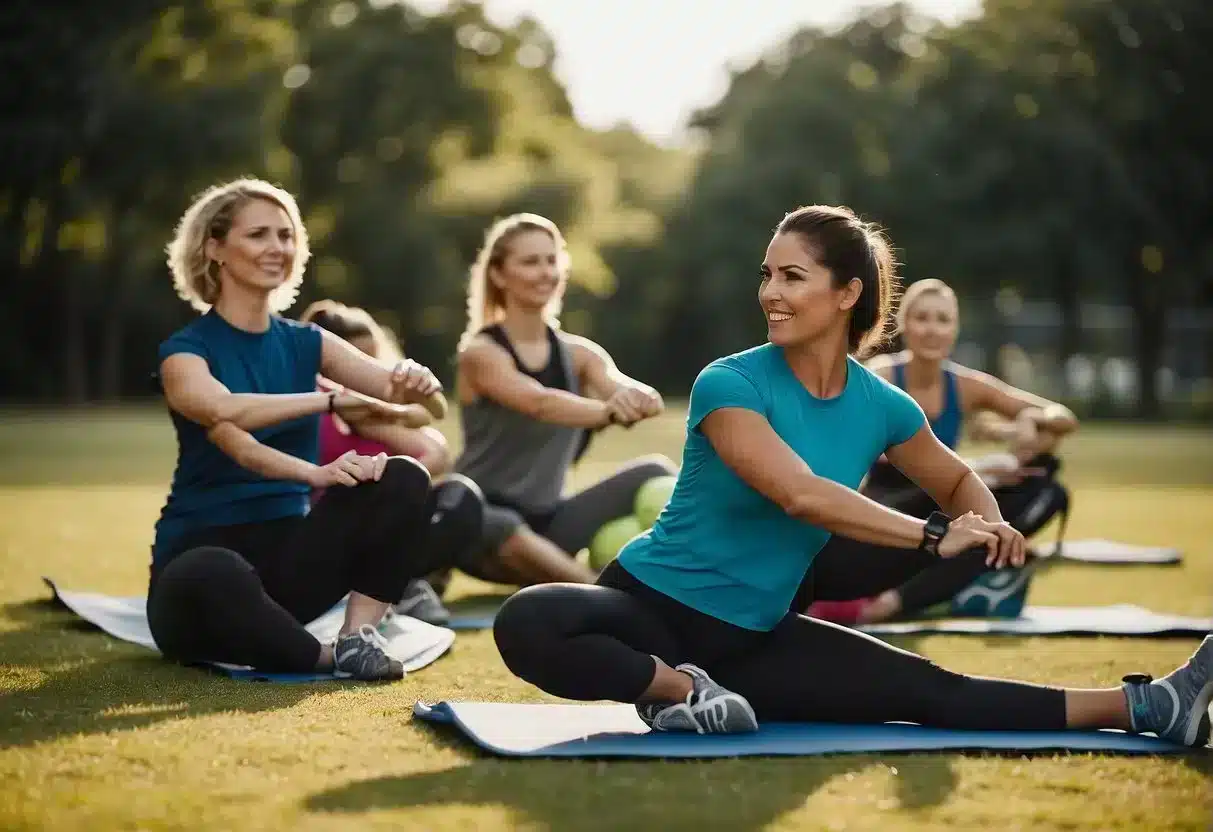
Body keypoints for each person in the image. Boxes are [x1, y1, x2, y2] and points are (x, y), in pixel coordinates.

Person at [491, 204, 1212, 747]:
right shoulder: (730, 383)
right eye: (767, 275)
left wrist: (989, 526)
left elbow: (957, 479)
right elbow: (799, 494)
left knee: (934, 693)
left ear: (846, 294)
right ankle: (679, 692)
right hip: (651, 609)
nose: (769, 292)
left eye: (792, 276)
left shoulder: (881, 405)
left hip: (754, 638)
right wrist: (934, 536)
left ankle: (1148, 706)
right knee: (528, 620)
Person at [148, 178, 453, 681]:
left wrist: (417, 381)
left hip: (287, 563)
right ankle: (319, 657)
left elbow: (409, 399)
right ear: (214, 248)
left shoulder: (308, 342)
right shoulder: (184, 354)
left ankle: (356, 638)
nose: (278, 247)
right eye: (258, 235)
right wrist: (324, 423)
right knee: (213, 568)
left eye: (286, 235)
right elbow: (226, 415)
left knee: (404, 476)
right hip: (197, 575)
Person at [798, 278, 1080, 625]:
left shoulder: (965, 385)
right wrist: (979, 468)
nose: (932, 329)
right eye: (922, 318)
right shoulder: (881, 376)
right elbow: (866, 449)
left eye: (942, 320)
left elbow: (1062, 417)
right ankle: (894, 598)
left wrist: (1030, 421)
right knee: (967, 511)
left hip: (941, 505)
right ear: (904, 324)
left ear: (954, 329)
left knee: (1046, 492)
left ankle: (895, 602)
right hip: (890, 505)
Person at [452, 213, 677, 587]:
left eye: (551, 260)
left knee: (654, 471)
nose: (545, 272)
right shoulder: (481, 354)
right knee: (499, 521)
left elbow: (619, 385)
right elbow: (538, 402)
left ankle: (695, 574)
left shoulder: (579, 355)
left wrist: (641, 398)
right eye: (530, 261)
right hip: (482, 528)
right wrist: (608, 412)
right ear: (498, 275)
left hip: (550, 527)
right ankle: (599, 589)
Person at [298, 299, 468, 625]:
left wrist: (389, 412)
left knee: (460, 496)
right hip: (330, 524)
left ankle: (408, 583)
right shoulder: (320, 406)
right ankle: (402, 586)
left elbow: (435, 447)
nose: (367, 371)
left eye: (372, 359)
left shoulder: (372, 413)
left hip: (380, 513)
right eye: (358, 361)